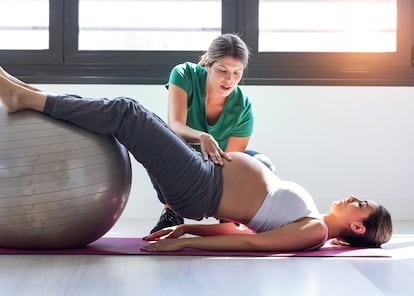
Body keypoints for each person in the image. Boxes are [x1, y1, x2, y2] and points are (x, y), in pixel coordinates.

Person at [0, 67, 393, 252]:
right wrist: (187, 230)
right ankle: (24, 91)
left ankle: (20, 96)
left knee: (127, 113)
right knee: (139, 117)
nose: (353, 196)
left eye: (361, 204)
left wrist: (187, 244)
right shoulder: (310, 218)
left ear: (358, 228)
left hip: (200, 188)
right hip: (202, 177)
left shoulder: (314, 232)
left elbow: (253, 247)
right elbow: (242, 231)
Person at [150, 33, 276, 233]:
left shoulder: (242, 107)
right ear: (208, 64)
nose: (229, 79)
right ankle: (171, 212)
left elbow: (233, 160)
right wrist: (202, 136)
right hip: (183, 163)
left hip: (218, 170)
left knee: (263, 164)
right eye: (223, 70)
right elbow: (174, 126)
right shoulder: (184, 74)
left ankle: (229, 216)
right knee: (156, 144)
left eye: (237, 72)